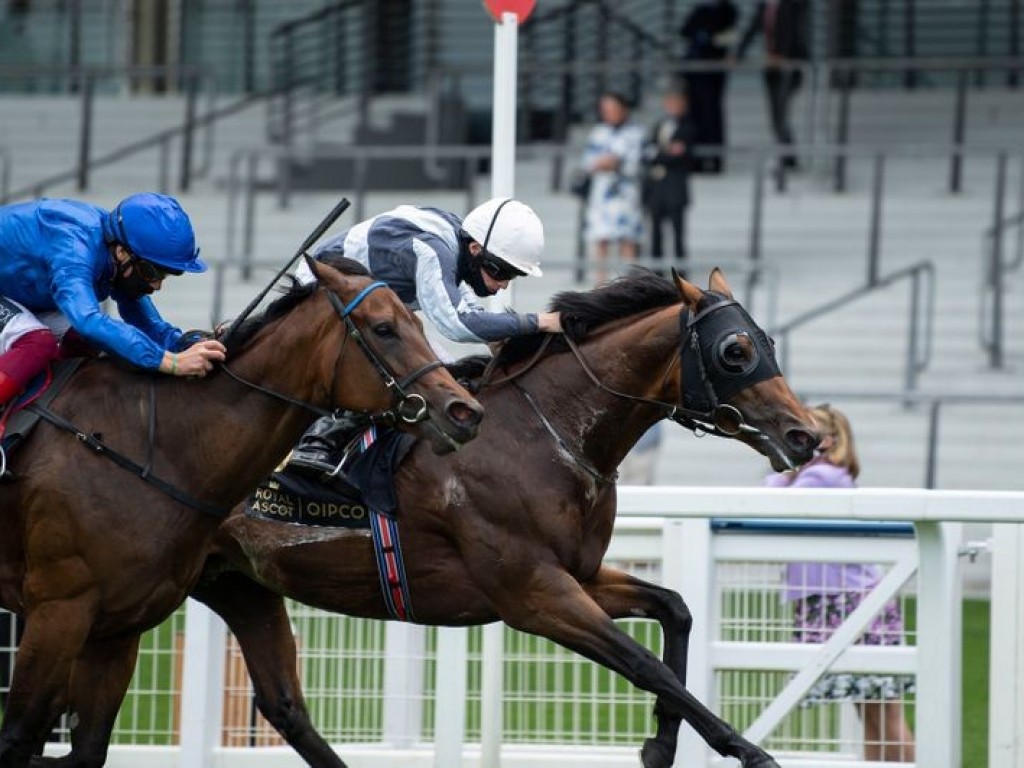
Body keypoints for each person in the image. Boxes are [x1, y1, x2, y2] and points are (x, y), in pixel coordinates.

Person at [287, 197, 562, 475]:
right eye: (500, 271)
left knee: (447, 373)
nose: (502, 284)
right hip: (323, 295)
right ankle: (317, 441)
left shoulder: (456, 243)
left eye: (513, 276)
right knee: (414, 371)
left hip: (371, 313)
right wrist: (540, 322)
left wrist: (497, 338)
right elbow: (456, 323)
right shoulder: (432, 248)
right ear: (475, 248)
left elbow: (464, 307)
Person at [766, 404, 916, 762]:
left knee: (885, 711)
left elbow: (770, 499)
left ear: (829, 440)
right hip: (842, 602)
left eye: (806, 435)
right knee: (870, 709)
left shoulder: (823, 477)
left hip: (850, 603)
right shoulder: (821, 474)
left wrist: (789, 465)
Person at [0, 193, 227, 405]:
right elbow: (89, 321)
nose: (157, 285)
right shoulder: (74, 250)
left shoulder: (117, 247)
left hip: (14, 292)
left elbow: (147, 323)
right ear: (122, 253)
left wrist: (187, 343)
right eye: (152, 273)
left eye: (165, 275)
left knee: (89, 341)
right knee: (37, 343)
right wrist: (173, 363)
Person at [736, 0, 810, 174]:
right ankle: (786, 156)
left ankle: (789, 158)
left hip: (788, 68)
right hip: (771, 68)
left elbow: (796, 33)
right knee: (776, 116)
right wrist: (738, 54)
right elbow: (752, 30)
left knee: (781, 114)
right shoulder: (764, 7)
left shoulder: (794, 5)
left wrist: (785, 57)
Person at [581, 92, 646, 284]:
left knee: (627, 240)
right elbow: (587, 162)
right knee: (601, 238)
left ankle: (630, 286)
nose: (608, 113)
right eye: (605, 110)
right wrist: (601, 163)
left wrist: (616, 163)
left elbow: (638, 163)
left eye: (612, 109)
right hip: (602, 195)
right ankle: (600, 285)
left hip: (626, 194)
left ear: (623, 109)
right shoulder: (598, 132)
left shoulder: (636, 133)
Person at [679, 0, 738, 174]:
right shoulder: (700, 10)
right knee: (695, 116)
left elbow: (724, 37)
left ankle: (715, 160)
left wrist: (708, 36)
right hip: (695, 72)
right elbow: (685, 31)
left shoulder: (728, 10)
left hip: (713, 72)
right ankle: (696, 160)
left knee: (712, 116)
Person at [643, 88, 697, 269]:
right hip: (656, 188)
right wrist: (665, 154)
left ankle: (681, 274)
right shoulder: (659, 125)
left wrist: (660, 155)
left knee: (678, 234)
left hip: (675, 188)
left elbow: (679, 156)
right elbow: (649, 153)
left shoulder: (688, 127)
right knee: (656, 233)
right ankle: (656, 274)